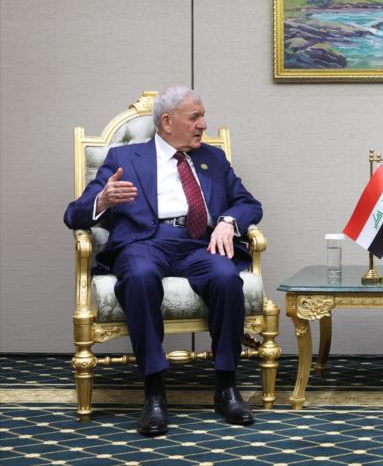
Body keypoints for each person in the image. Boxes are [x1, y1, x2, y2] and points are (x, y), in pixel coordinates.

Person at [63, 86, 263, 437]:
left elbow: (249, 203)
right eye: (195, 117)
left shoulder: (213, 159)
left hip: (197, 244)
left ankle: (226, 387)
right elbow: (73, 215)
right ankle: (154, 392)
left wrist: (229, 223)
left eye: (203, 115)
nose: (204, 124)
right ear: (167, 122)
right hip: (144, 243)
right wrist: (104, 201)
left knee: (226, 276)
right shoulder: (123, 158)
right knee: (139, 276)